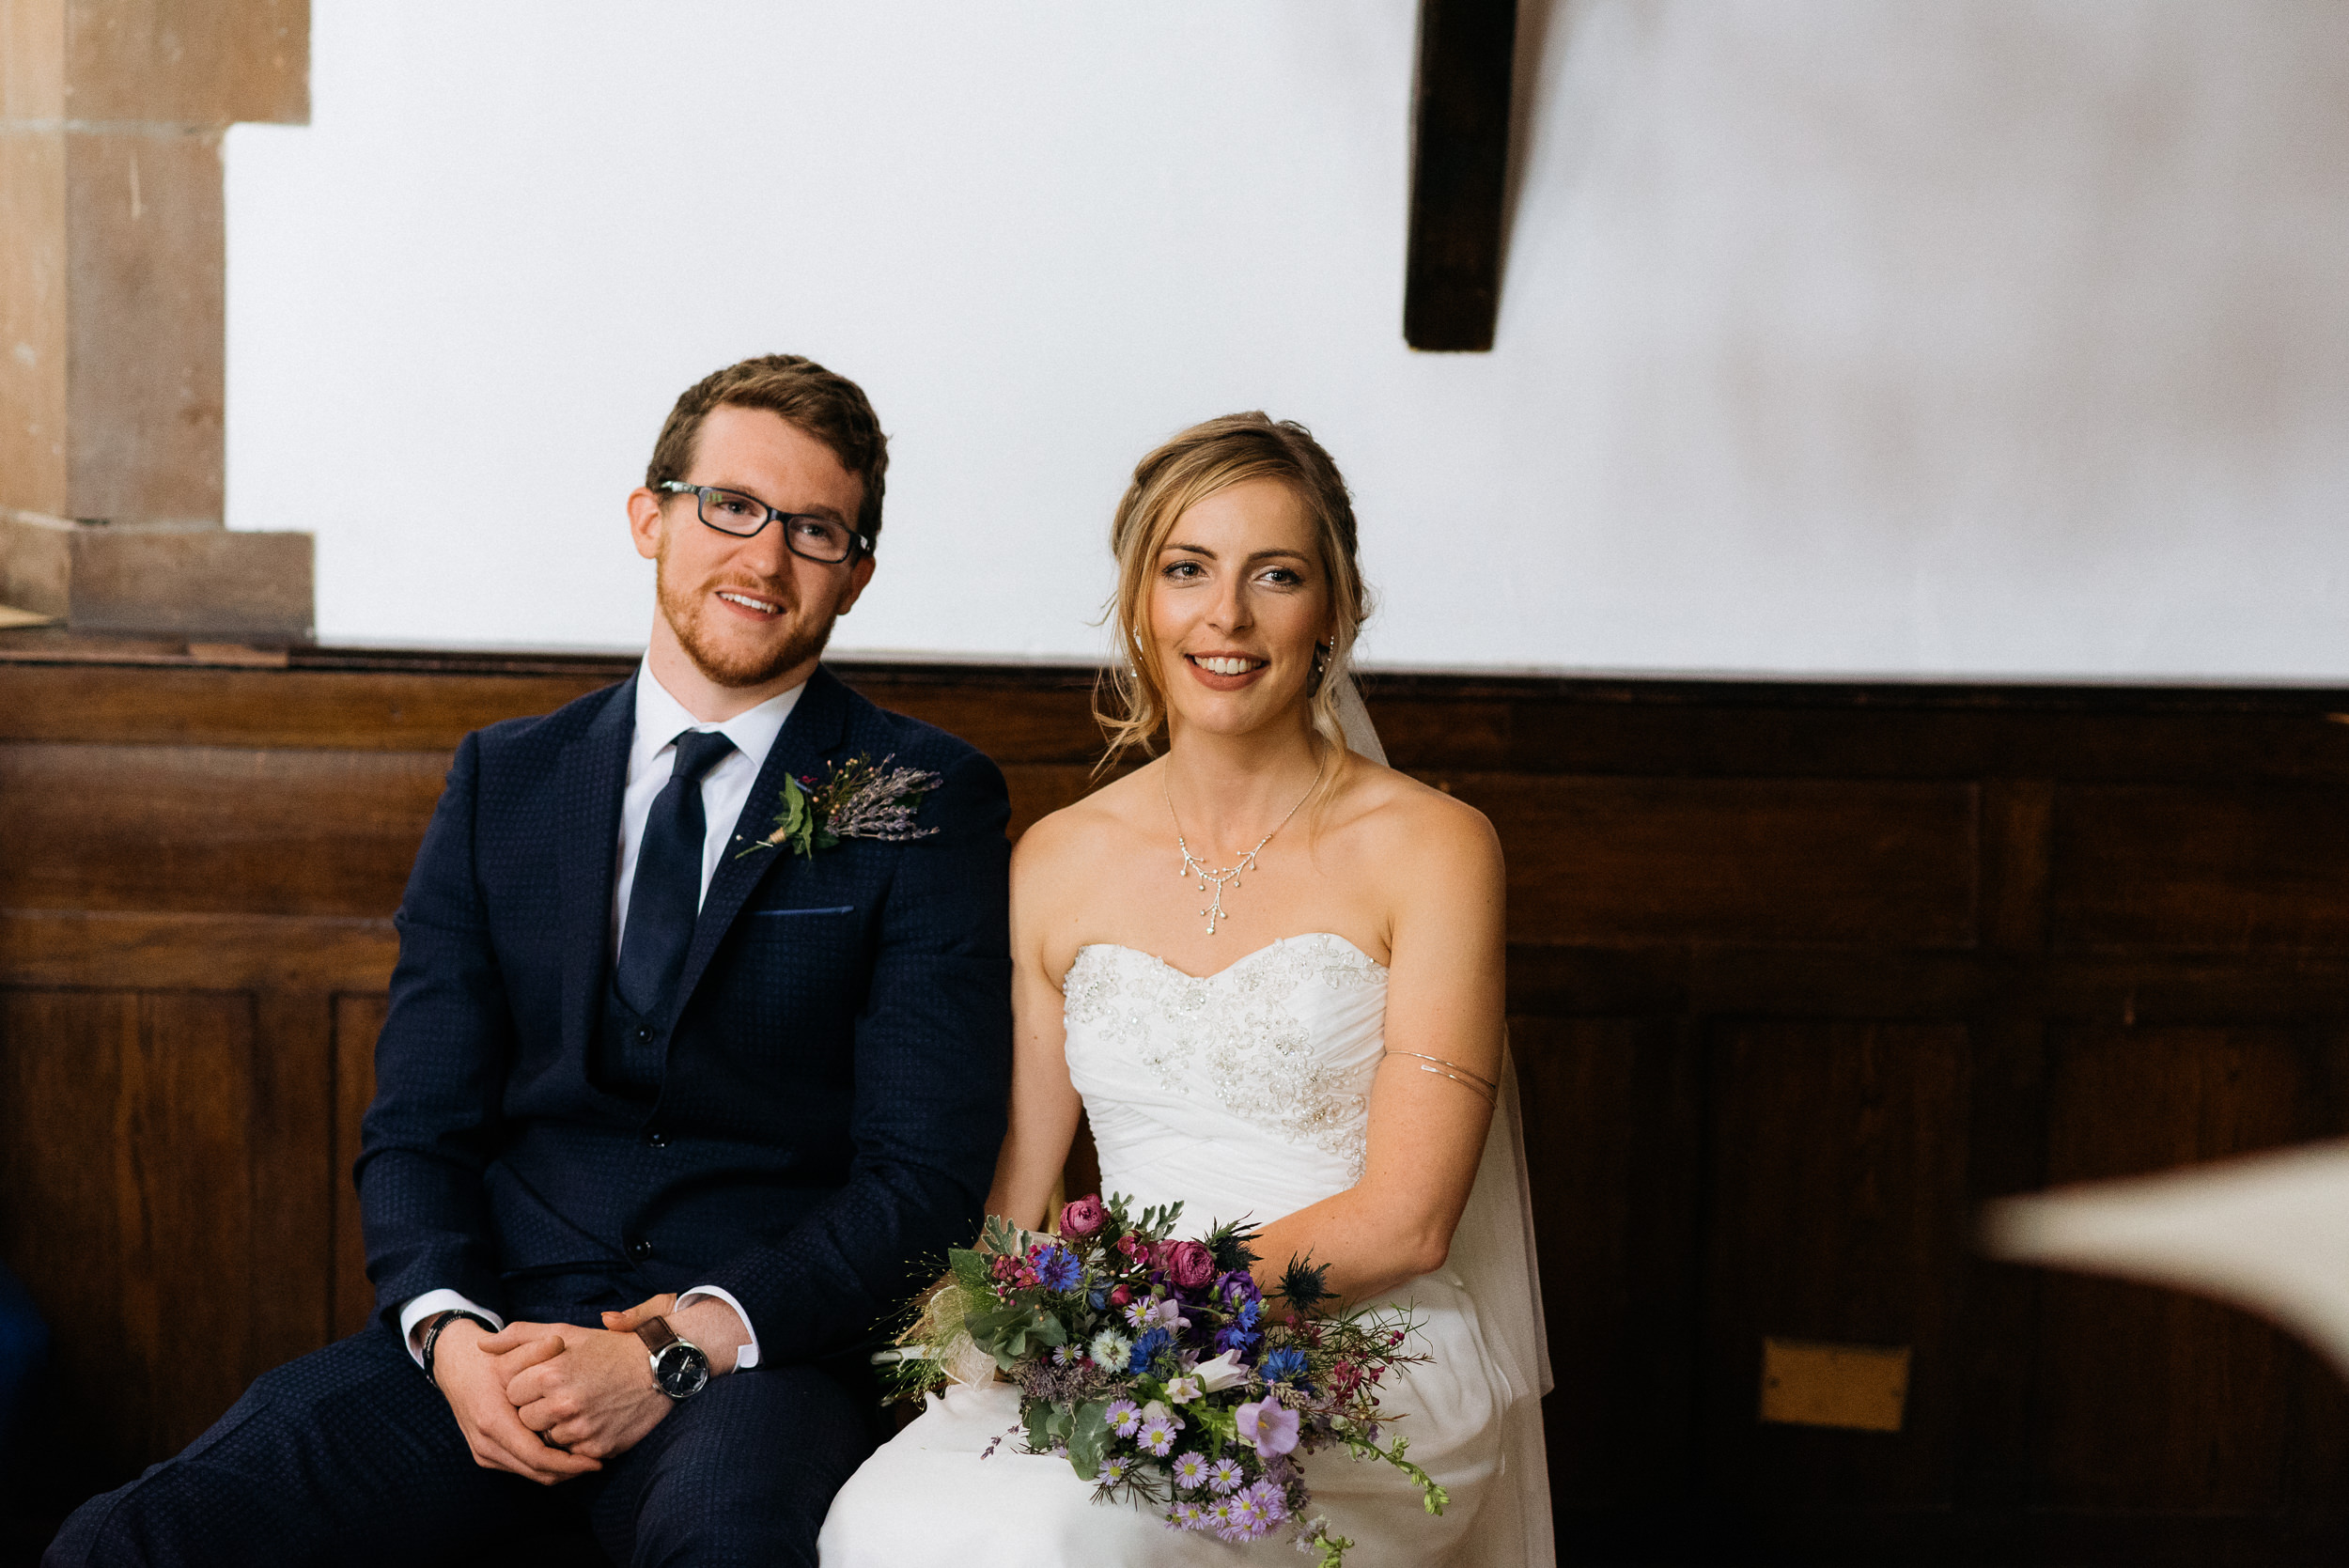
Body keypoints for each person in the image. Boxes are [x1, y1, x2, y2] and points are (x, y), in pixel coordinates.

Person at [45, 354, 1014, 1568]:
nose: (764, 558)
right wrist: (452, 1337)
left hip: (753, 1360)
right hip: (495, 1336)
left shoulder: (926, 798)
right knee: (133, 1537)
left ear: (856, 574)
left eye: (815, 529)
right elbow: (416, 1128)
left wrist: (678, 1348)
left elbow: (918, 1180)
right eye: (731, 506)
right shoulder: (504, 780)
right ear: (649, 515)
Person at [817, 413, 1553, 1567]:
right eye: (1187, 569)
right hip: (1106, 1343)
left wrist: (1145, 1304)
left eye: (1277, 575)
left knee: (1073, 1541)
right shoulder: (1057, 858)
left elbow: (1409, 1217)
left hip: (1361, 1344)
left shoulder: (1435, 847)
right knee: (881, 1517)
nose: (1227, 616)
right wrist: (993, 1346)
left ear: (1335, 610)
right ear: (1139, 602)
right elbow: (1023, 1181)